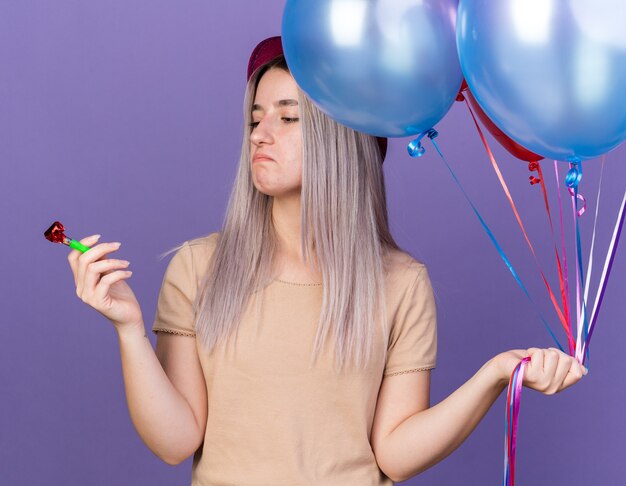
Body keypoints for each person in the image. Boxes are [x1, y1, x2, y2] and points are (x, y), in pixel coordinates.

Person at [67, 36, 586, 485]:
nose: (259, 134)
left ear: (341, 137)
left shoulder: (402, 283)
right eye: (256, 116)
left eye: (288, 117)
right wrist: (129, 330)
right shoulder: (198, 268)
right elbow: (175, 441)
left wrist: (496, 374)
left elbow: (396, 456)